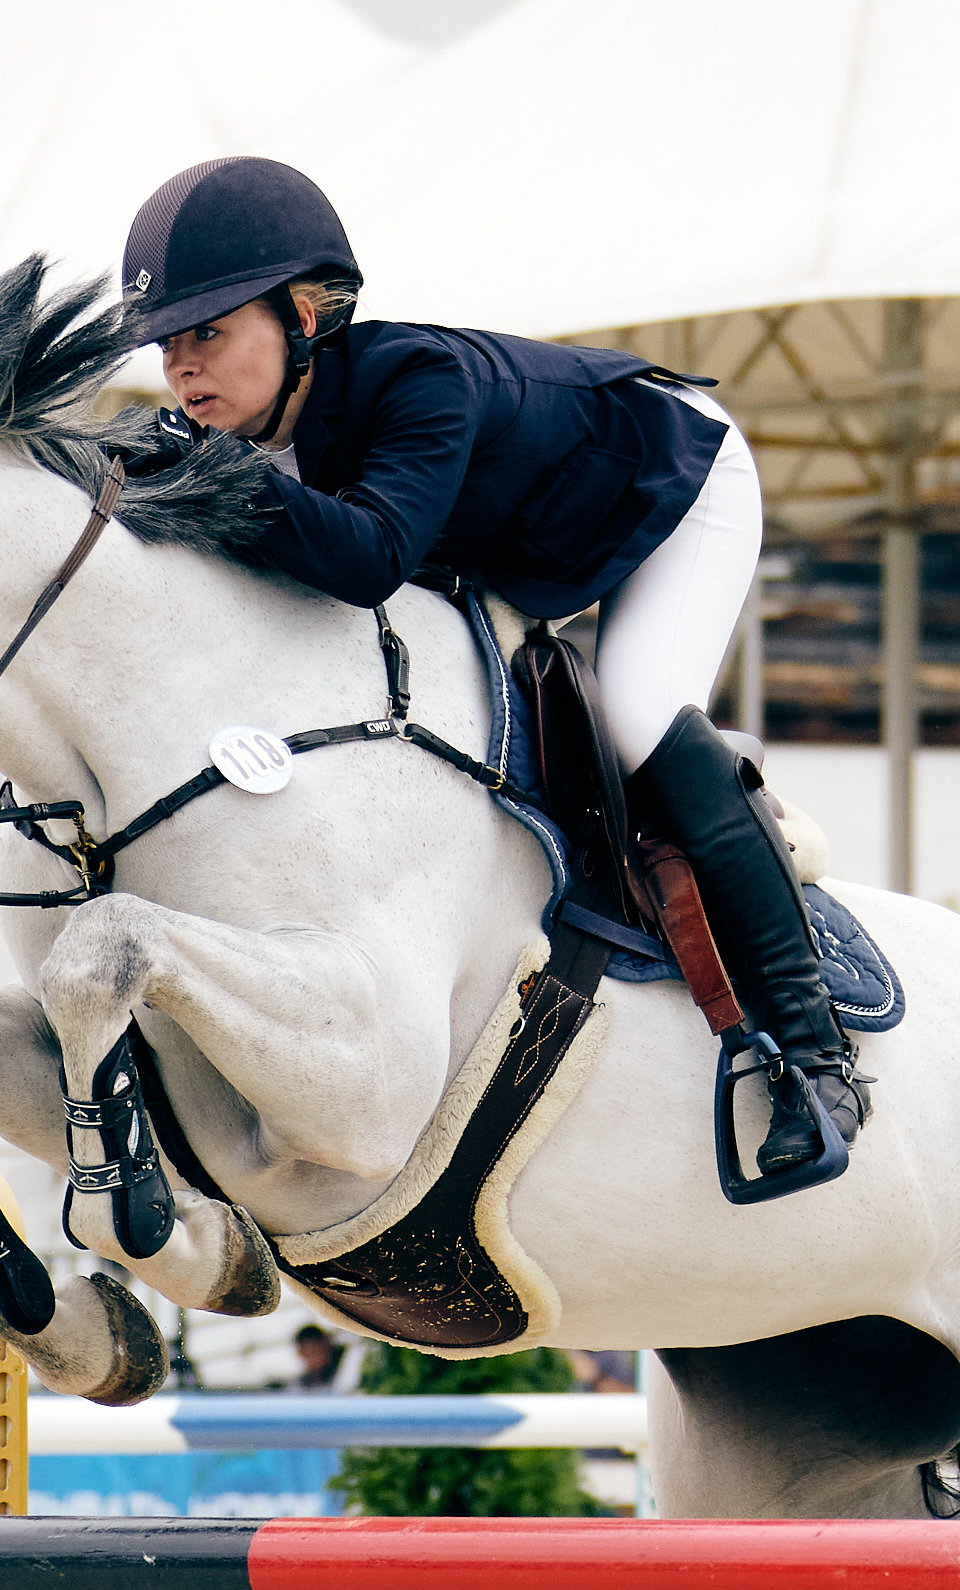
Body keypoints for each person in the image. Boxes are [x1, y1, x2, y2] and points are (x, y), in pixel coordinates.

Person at [116, 156, 870, 1172]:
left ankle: (816, 1055)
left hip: (671, 483)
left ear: (302, 314)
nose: (180, 367)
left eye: (206, 332)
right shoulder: (251, 436)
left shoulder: (413, 379)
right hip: (524, 545)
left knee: (640, 713)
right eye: (167, 344)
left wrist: (202, 472)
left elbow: (369, 561)